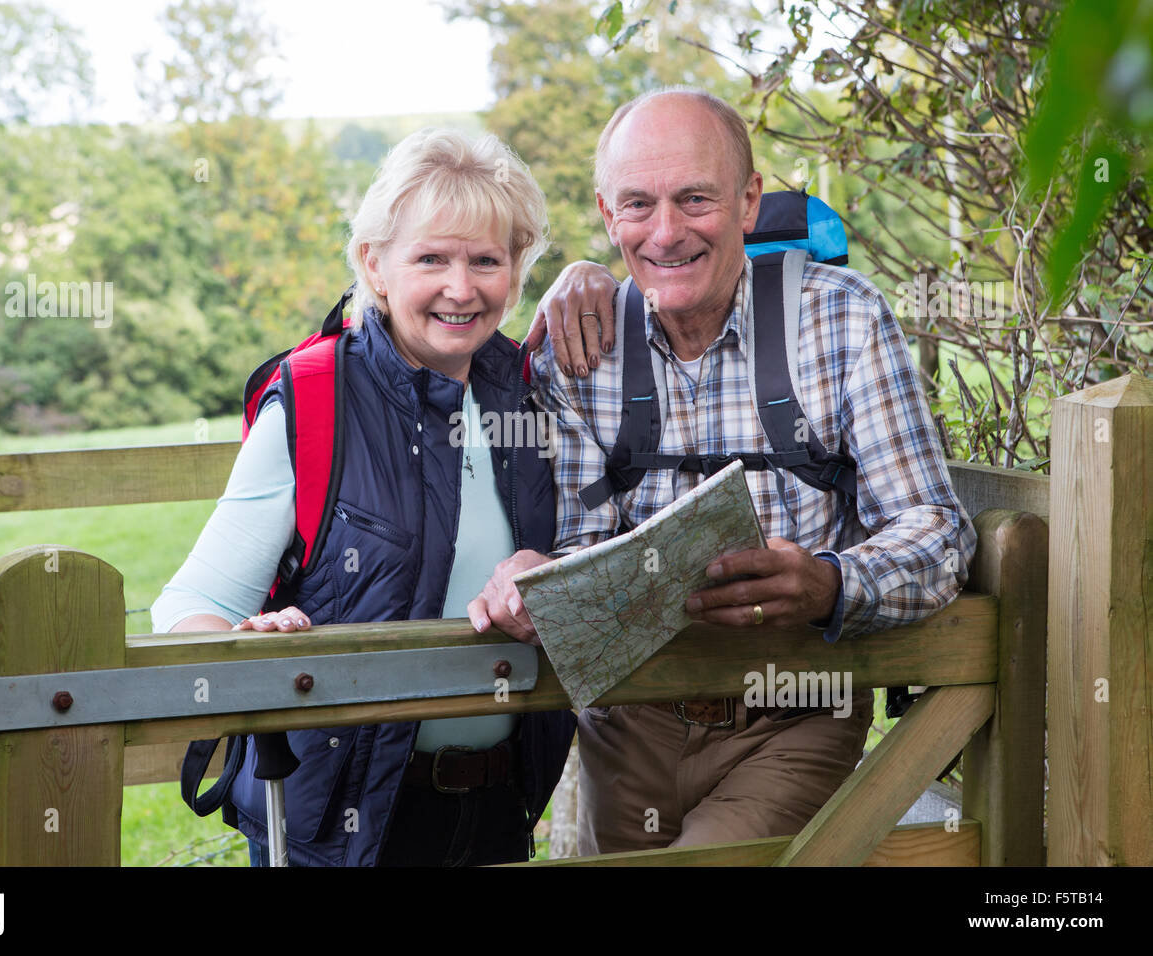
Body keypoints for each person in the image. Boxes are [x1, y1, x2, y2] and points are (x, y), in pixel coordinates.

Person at [470, 88, 977, 855]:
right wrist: (539, 577)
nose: (666, 232)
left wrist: (834, 583)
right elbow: (580, 542)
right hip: (628, 726)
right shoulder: (579, 351)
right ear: (608, 217)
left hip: (797, 715)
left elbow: (937, 532)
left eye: (696, 199)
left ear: (747, 202)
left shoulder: (841, 320)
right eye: (637, 205)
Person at [152, 127, 576, 867]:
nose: (461, 287)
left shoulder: (537, 394)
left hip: (499, 812)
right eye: (432, 258)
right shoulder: (316, 400)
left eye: (486, 260)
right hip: (338, 829)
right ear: (375, 265)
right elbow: (190, 607)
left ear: (516, 268)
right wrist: (243, 645)